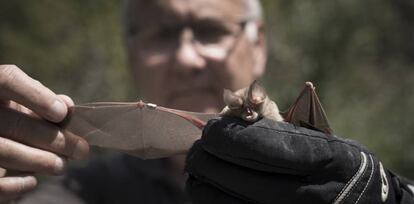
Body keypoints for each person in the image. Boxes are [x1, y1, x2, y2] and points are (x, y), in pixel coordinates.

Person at [0, 0, 410, 203]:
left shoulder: (328, 170)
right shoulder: (79, 193)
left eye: (210, 30)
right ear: (130, 53)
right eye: (162, 34)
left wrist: (394, 197)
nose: (186, 58)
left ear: (259, 44)